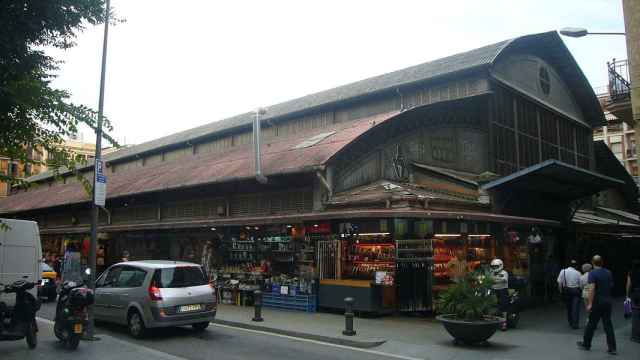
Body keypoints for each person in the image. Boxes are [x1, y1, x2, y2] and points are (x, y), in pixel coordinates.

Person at [577, 255, 617, 355]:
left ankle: (586, 344)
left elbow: (592, 289)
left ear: (592, 263)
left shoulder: (592, 273)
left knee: (591, 323)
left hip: (597, 302)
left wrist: (590, 303)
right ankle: (612, 348)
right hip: (607, 301)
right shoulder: (608, 272)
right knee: (608, 325)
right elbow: (611, 285)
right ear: (602, 262)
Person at [558, 259, 582, 329]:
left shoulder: (563, 271)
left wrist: (560, 292)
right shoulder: (578, 273)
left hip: (566, 290)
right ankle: (575, 324)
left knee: (569, 307)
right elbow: (580, 284)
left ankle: (570, 321)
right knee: (575, 307)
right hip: (575, 290)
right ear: (576, 266)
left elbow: (559, 283)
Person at [490, 258, 509, 331]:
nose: (494, 268)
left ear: (500, 265)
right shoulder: (491, 272)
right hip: (493, 290)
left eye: (496, 266)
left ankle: (504, 323)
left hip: (502, 290)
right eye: (493, 266)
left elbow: (504, 279)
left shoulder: (504, 272)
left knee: (503, 306)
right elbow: (488, 279)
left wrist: (495, 280)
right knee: (491, 304)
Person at [626, 259, 640, 343]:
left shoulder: (631, 273)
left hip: (636, 293)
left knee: (635, 314)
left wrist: (627, 295)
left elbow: (628, 285)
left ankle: (635, 336)